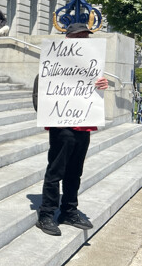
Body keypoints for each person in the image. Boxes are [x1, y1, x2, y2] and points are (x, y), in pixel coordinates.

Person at [34, 22, 109, 236]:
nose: (82, 41)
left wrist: (102, 84)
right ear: (68, 39)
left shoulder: (92, 65)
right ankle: (46, 214)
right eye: (78, 37)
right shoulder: (54, 61)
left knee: (75, 171)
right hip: (61, 125)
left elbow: (96, 90)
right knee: (56, 170)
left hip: (83, 125)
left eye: (85, 37)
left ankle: (69, 210)